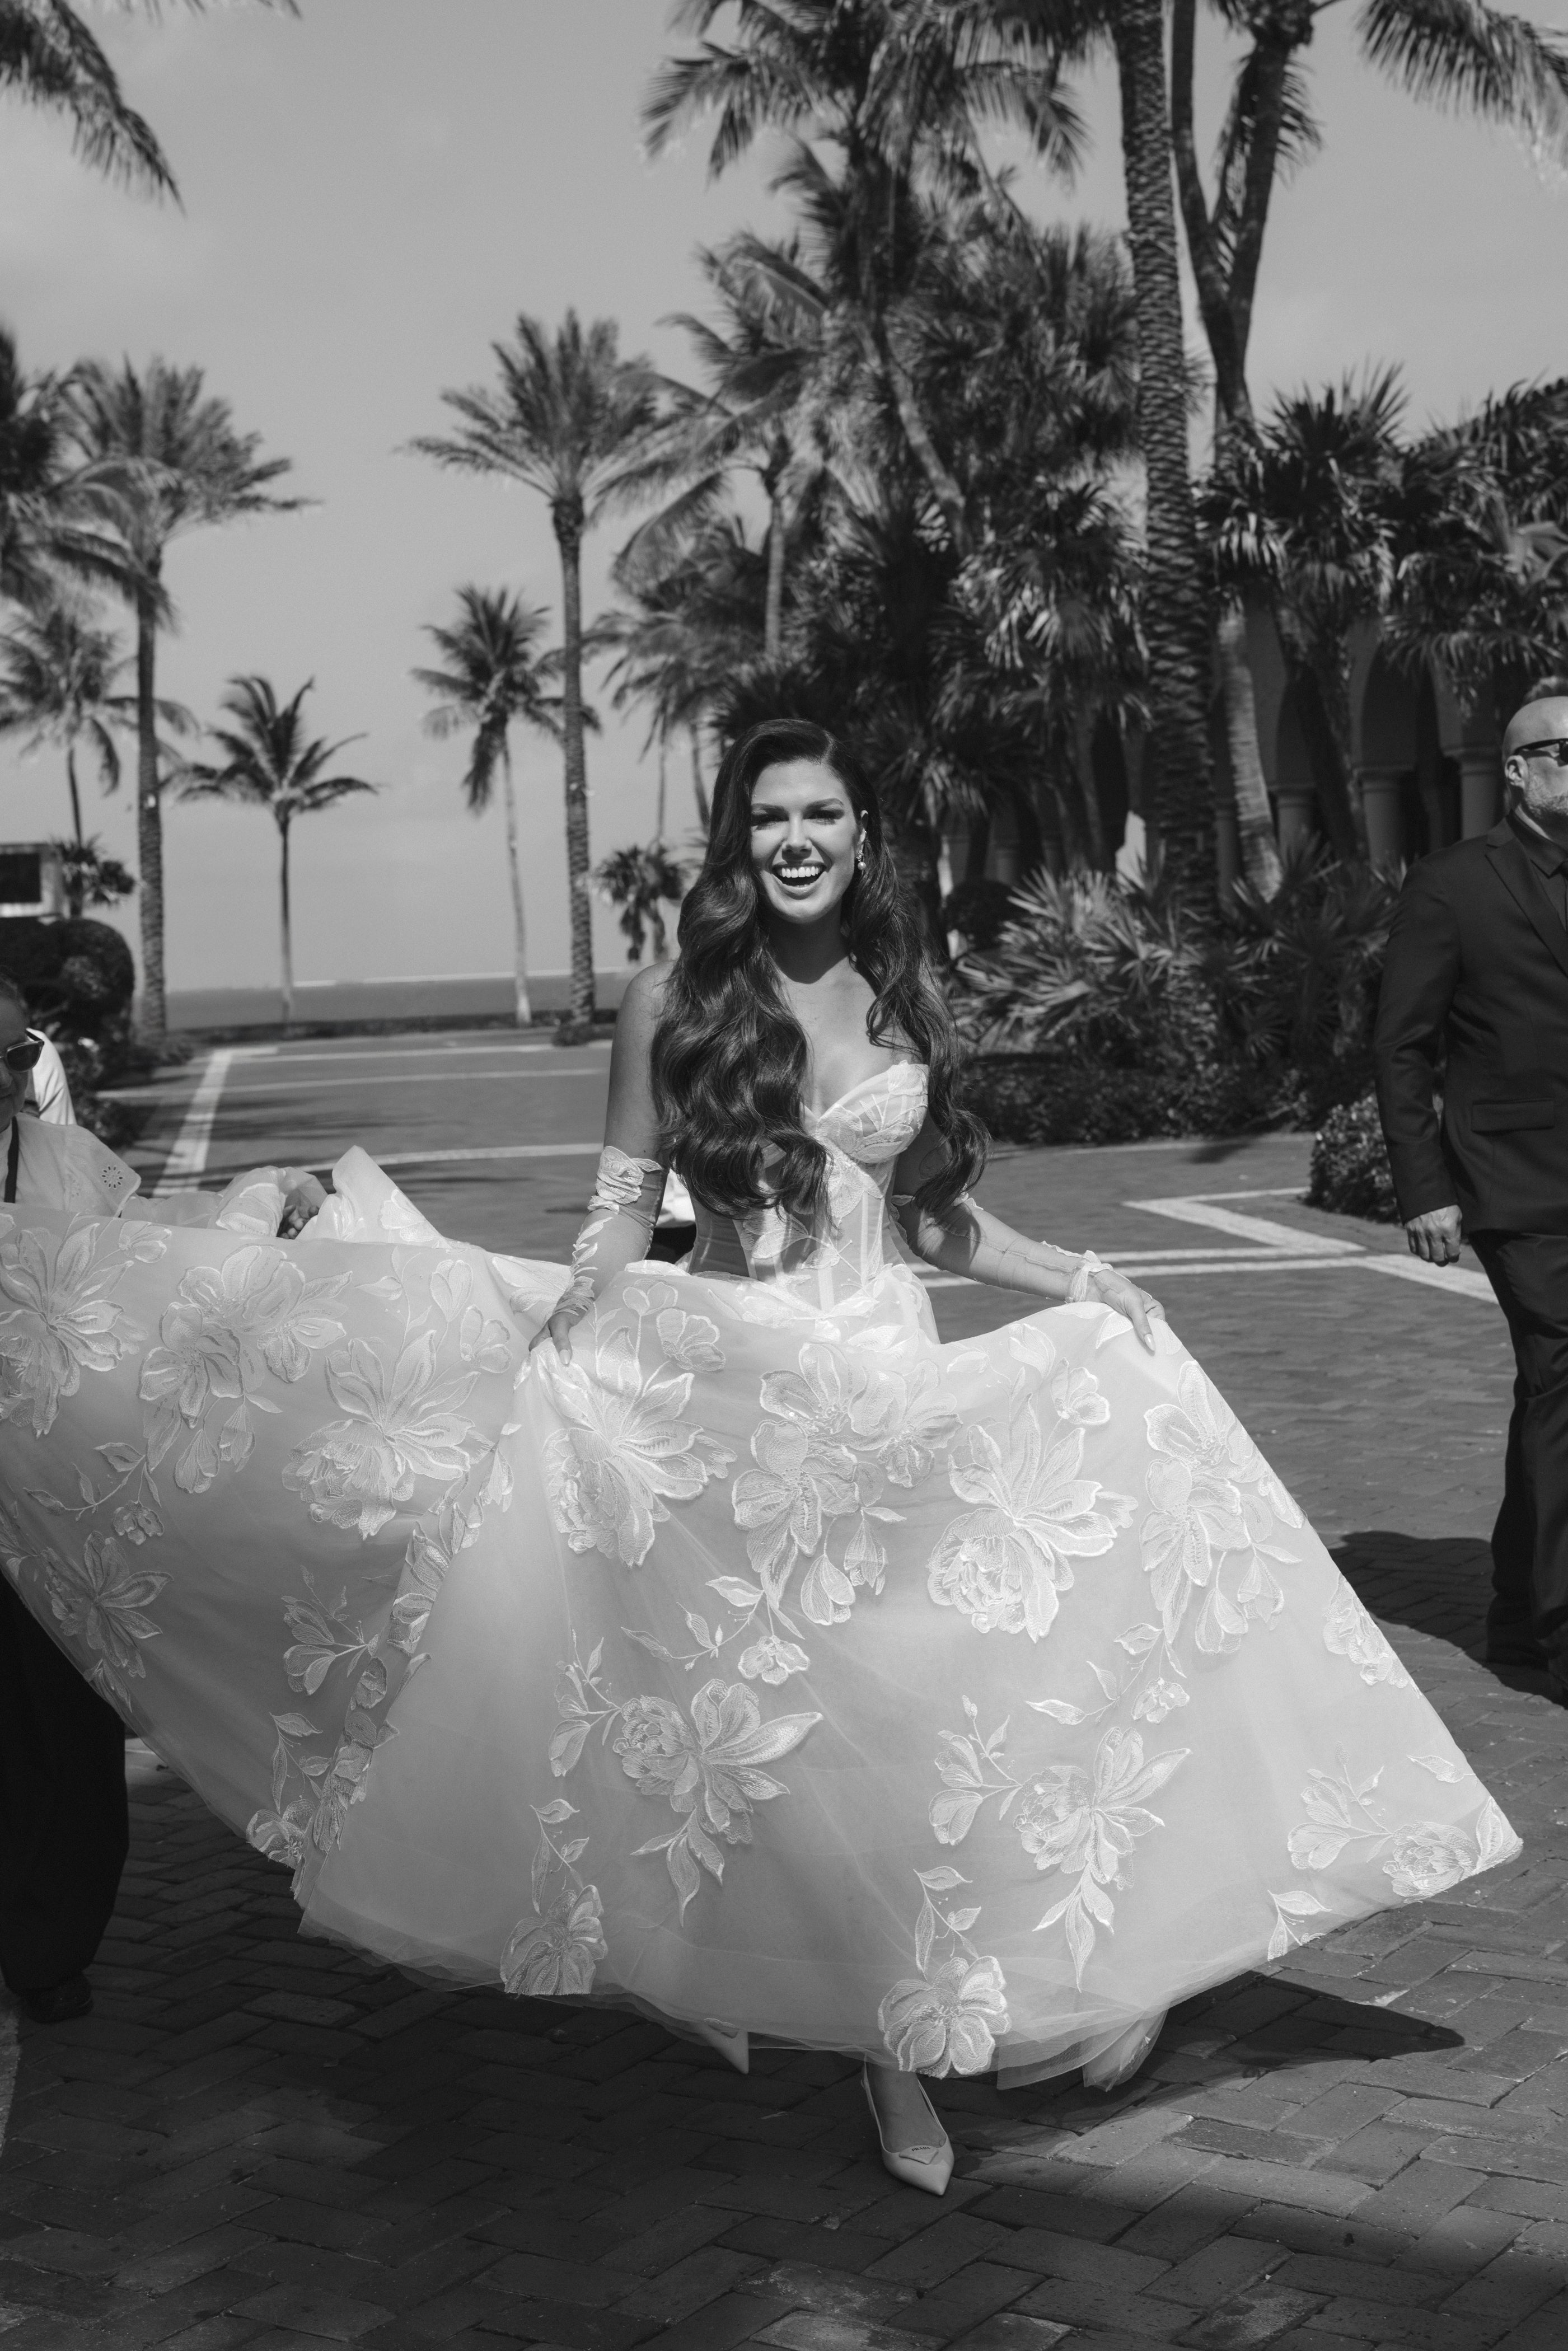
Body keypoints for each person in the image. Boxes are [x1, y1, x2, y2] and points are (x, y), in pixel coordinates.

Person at [0, 725, 1518, 2188]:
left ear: (863, 841)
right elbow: (616, 1206)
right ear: (738, 841)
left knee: (952, 1699)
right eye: (771, 819)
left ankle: (1066, 1968)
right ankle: (890, 2050)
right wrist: (563, 1329)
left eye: (824, 818)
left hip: (894, 1384)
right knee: (808, 1739)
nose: (797, 842)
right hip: (745, 1399)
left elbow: (932, 1217)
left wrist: (1083, 1279)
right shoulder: (675, 998)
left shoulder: (901, 993)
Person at [1376, 689, 1568, 1694]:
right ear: (1518, 771)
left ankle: (1512, 1607)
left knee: (1550, 1388)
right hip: (1517, 1181)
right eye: (1564, 752)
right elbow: (1401, 1047)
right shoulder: (1452, 886)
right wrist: (1424, 1189)